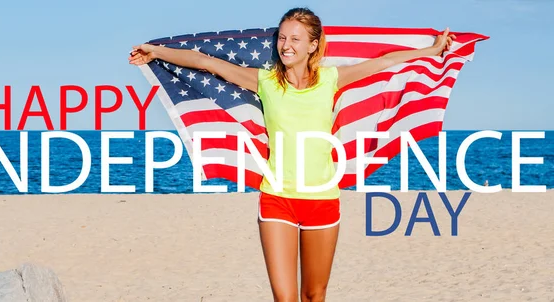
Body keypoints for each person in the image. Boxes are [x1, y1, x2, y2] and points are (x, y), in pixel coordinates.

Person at [129, 7, 454, 302]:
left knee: (314, 295)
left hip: (323, 200)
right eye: (282, 37)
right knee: (285, 299)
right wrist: (155, 51)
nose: (286, 45)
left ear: (313, 45)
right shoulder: (265, 81)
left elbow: (385, 61)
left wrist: (434, 49)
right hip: (276, 199)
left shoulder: (331, 79)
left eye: (296, 39)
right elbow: (207, 62)